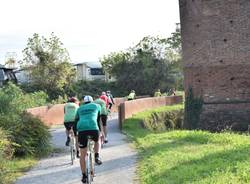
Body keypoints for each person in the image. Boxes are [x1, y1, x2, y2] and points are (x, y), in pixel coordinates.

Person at [75, 95, 103, 183]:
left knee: (82, 155)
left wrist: (76, 132)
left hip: (82, 130)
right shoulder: (97, 106)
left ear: (84, 102)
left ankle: (84, 176)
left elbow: (76, 121)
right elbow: (98, 120)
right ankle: (97, 156)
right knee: (97, 140)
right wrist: (100, 132)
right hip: (93, 127)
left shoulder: (79, 109)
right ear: (92, 101)